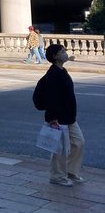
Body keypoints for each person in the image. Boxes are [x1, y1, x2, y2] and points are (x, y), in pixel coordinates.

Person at [33, 43, 84, 187]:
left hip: (69, 117)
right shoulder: (52, 75)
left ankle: (70, 172)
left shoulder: (62, 71)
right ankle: (57, 176)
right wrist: (53, 118)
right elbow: (51, 99)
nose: (65, 52)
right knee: (59, 149)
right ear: (55, 56)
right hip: (57, 118)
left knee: (79, 143)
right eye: (62, 51)